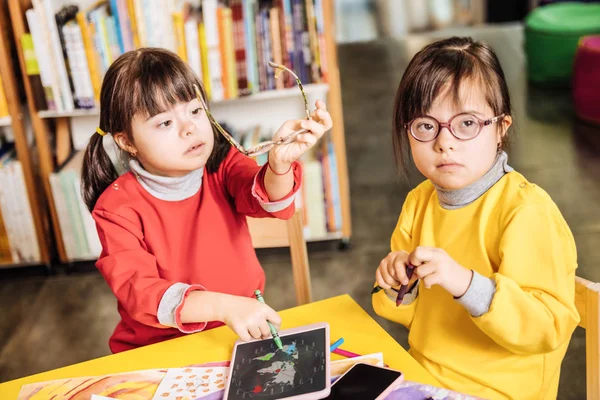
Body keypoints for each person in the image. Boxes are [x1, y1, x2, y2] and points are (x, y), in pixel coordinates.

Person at [81, 48, 332, 353]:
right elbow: (140, 292)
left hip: (238, 334)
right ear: (126, 141)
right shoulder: (116, 207)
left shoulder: (222, 163)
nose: (190, 128)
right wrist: (223, 306)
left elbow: (270, 201)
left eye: (195, 111)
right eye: (165, 123)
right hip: (159, 349)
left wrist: (278, 165)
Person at [372, 37, 579, 399]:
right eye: (425, 125)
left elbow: (548, 326)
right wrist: (396, 283)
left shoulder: (526, 210)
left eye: (466, 123)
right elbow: (408, 312)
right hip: (424, 376)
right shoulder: (418, 201)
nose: (444, 143)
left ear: (501, 128)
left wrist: (468, 285)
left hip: (500, 390)